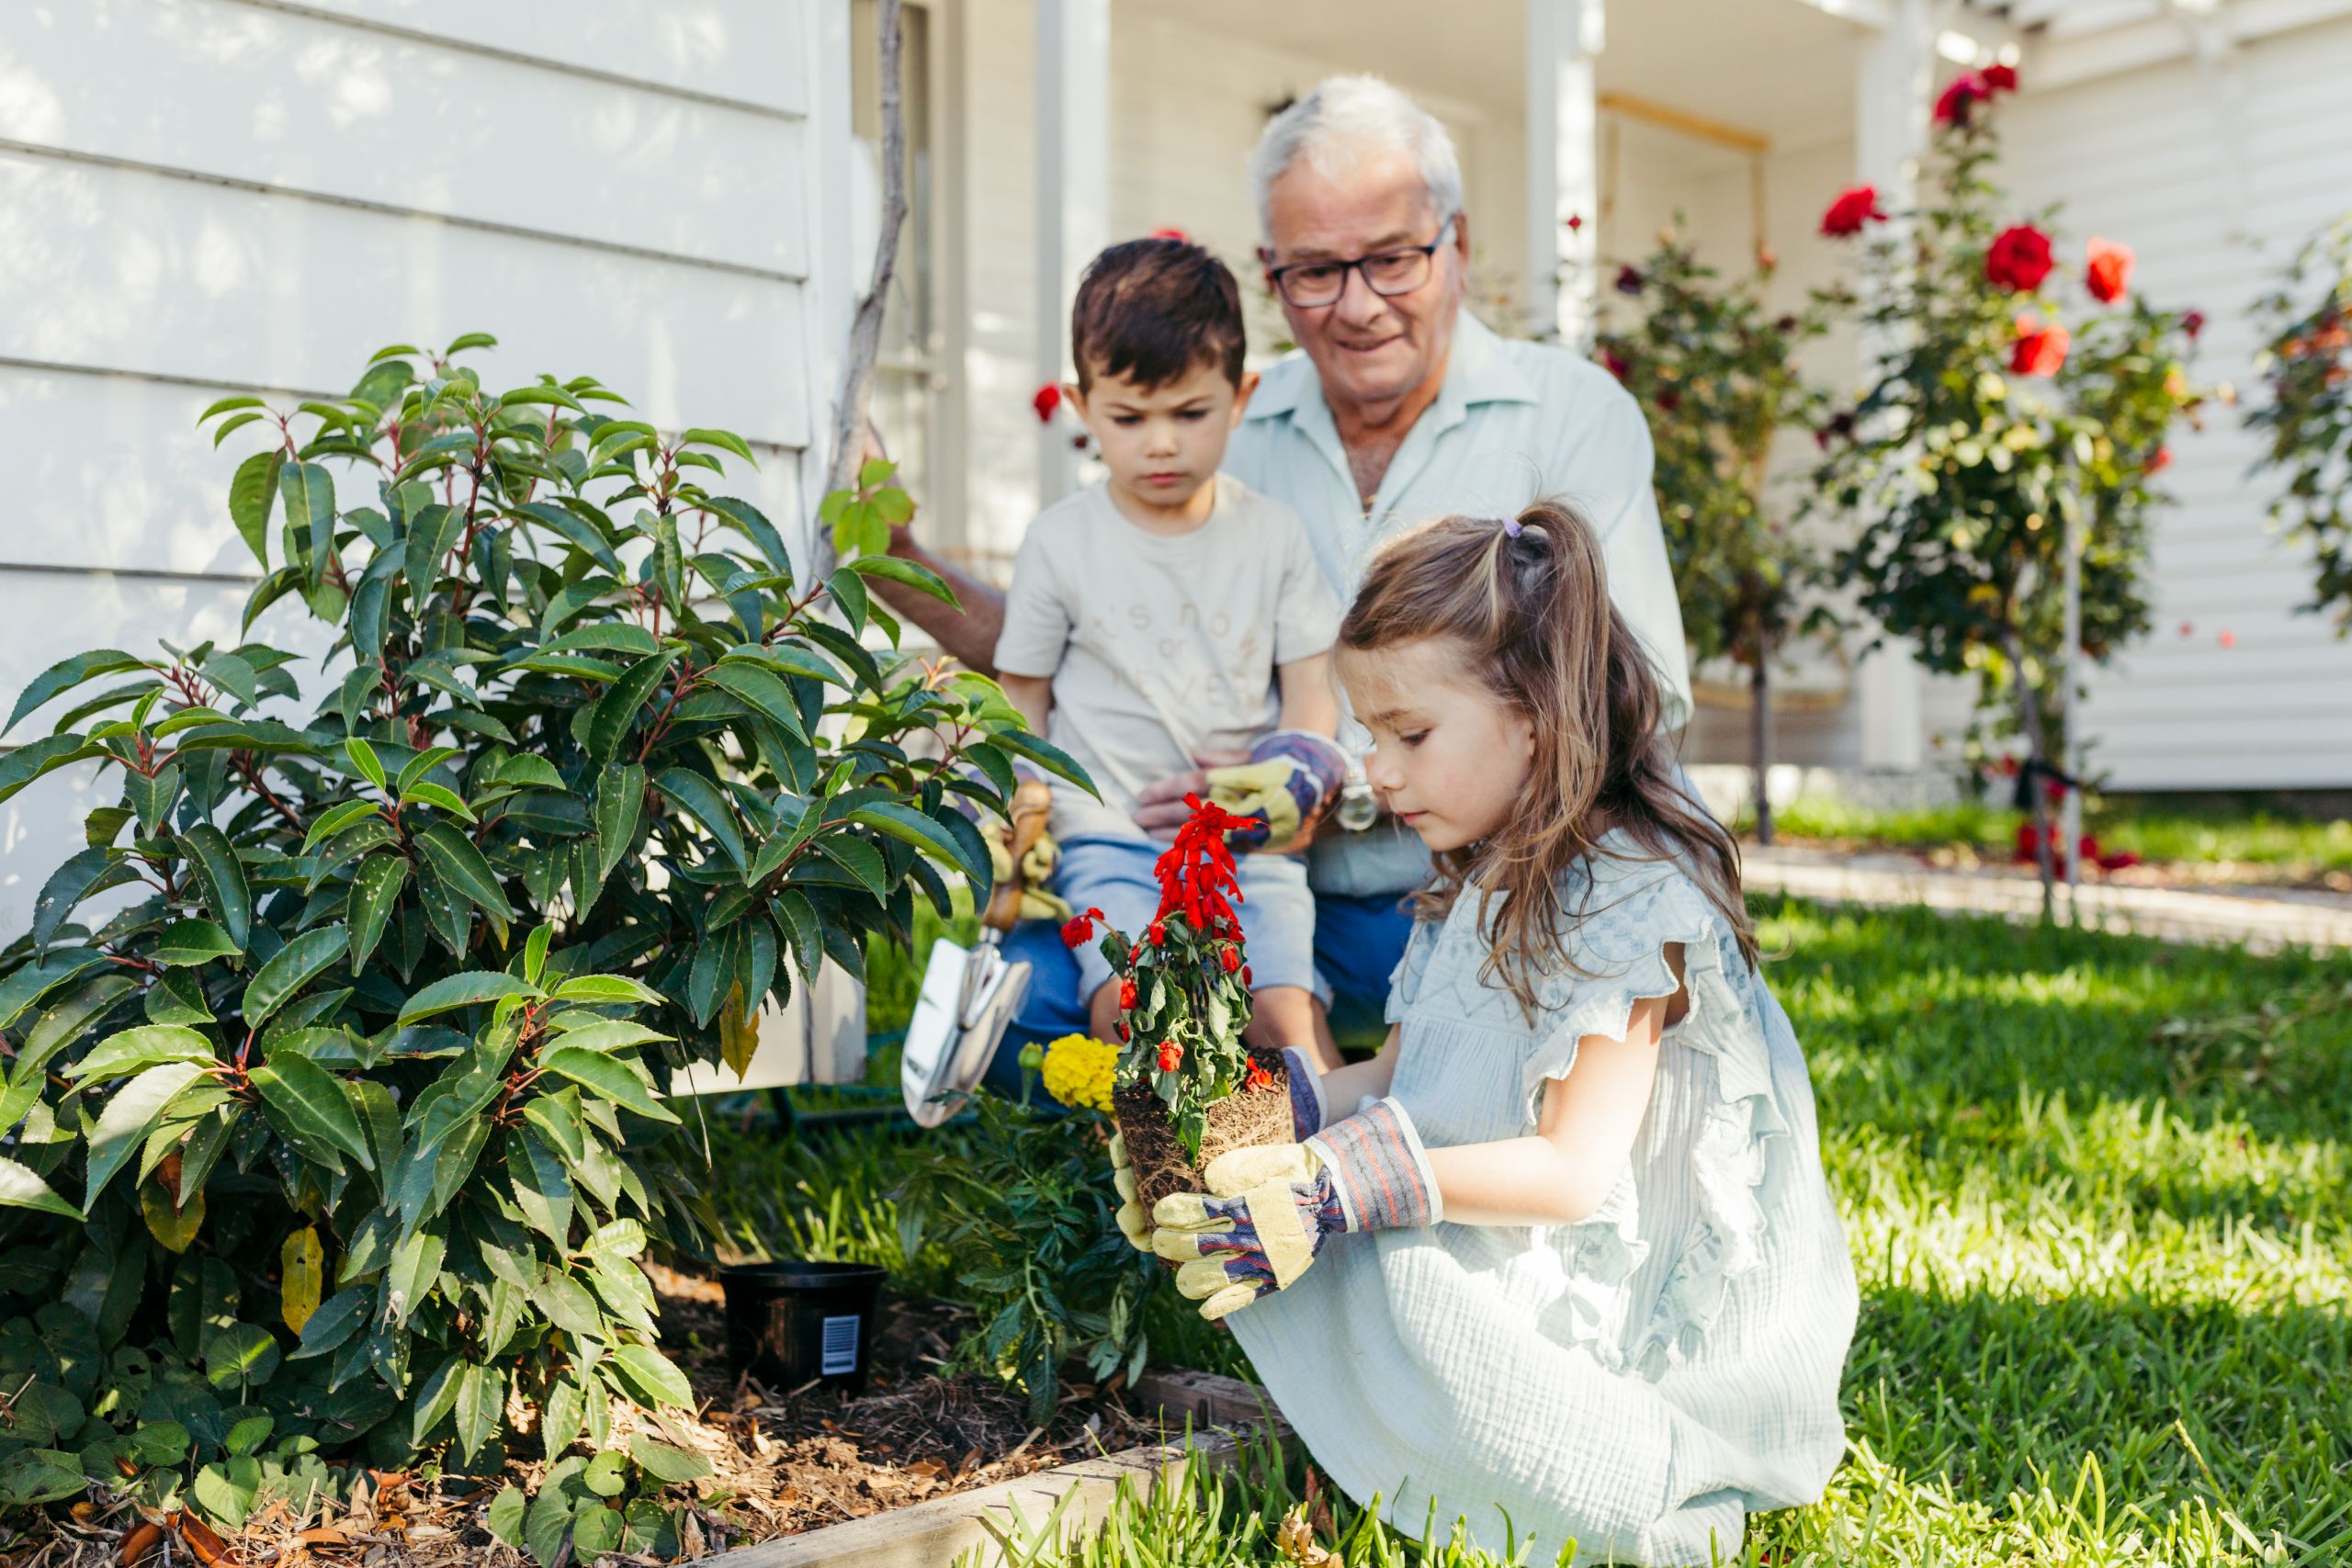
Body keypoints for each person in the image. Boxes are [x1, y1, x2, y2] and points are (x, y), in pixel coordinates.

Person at [865, 74, 1691, 1067]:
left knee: (1429, 1025)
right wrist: (896, 557)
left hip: (1482, 892)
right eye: (1314, 271)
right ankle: (1250, 1118)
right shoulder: (1218, 424)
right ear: (1270, 271)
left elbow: (1629, 697)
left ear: (1458, 246)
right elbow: (1065, 626)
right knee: (1037, 1006)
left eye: (1392, 260)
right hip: (1228, 881)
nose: (1356, 306)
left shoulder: (1567, 414)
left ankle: (1356, 1105)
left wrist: (1313, 776)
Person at [1122, 503, 1856, 1562]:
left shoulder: (1632, 897)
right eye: (1369, 735)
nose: (1377, 770)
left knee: (1386, 1266)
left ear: (1539, 714)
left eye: (1410, 735)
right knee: (1307, 1231)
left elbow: (1569, 1176)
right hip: (1502, 1231)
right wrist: (1238, 1126)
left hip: (1620, 1330)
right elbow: (1393, 1075)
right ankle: (1408, 1434)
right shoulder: (1480, 878)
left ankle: (1582, 1463)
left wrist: (1336, 1190)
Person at [991, 237, 1344, 1064]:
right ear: (1083, 407)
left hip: (1242, 843)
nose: (1160, 443)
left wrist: (1289, 784)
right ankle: (1155, 1182)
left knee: (1285, 1021)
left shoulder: (1274, 536)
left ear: (1240, 395)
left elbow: (1310, 694)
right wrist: (1023, 805)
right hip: (1108, 835)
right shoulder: (1060, 541)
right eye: (1128, 417)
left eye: (1190, 414)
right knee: (1128, 1010)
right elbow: (1021, 698)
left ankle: (1335, 1174)